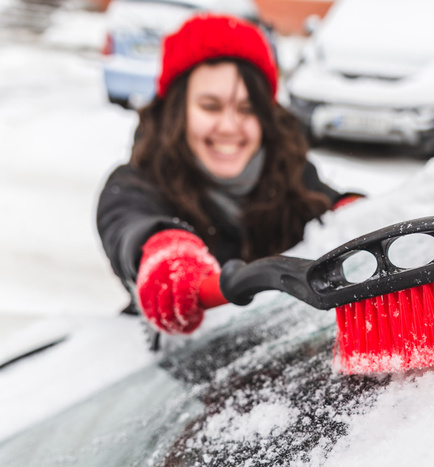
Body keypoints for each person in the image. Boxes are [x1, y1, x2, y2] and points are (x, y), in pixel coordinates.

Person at [97, 14, 360, 338]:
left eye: (247, 109)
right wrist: (164, 252)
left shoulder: (288, 172)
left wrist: (358, 212)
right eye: (211, 106)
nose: (230, 126)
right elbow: (129, 227)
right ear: (177, 111)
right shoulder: (135, 185)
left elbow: (327, 204)